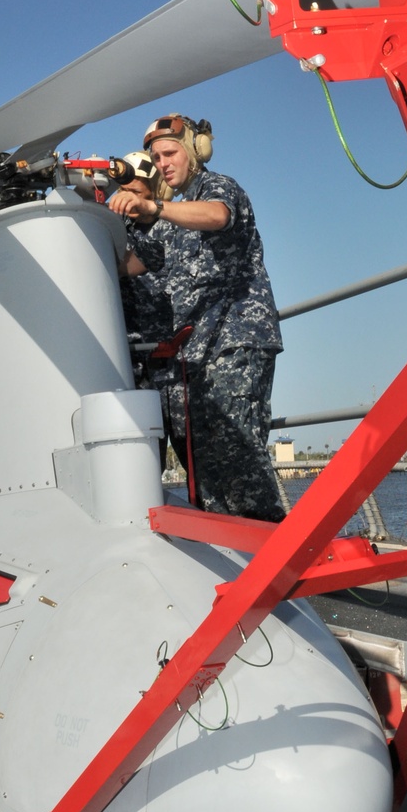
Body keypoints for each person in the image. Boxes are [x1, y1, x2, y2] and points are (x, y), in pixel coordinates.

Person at [108, 114, 284, 522]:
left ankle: (277, 566)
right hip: (199, 357)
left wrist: (154, 206)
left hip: (235, 342)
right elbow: (131, 265)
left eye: (170, 153)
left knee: (240, 465)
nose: (163, 162)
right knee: (208, 474)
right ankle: (237, 568)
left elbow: (218, 216)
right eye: (156, 156)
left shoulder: (217, 187)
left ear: (194, 150)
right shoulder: (172, 220)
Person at [113, 151, 172, 388]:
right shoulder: (119, 227)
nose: (129, 199)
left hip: (164, 351)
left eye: (136, 193)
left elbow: (126, 265)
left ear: (156, 192)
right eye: (123, 192)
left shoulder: (171, 226)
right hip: (128, 350)